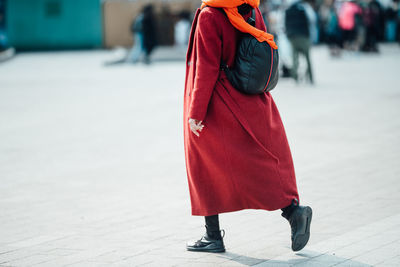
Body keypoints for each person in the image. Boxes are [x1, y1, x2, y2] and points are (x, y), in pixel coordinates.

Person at [183, 0, 313, 253]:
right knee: (258, 161)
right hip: (250, 95)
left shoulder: (210, 14)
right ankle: (293, 211)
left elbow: (206, 67)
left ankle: (212, 236)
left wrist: (195, 112)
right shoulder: (250, 7)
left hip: (217, 101)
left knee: (204, 167)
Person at [285, 0, 314, 84]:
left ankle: (295, 77)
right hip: (304, 36)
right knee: (307, 58)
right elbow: (310, 21)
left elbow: (285, 24)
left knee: (295, 58)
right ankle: (310, 78)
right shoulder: (304, 8)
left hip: (293, 37)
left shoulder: (288, 10)